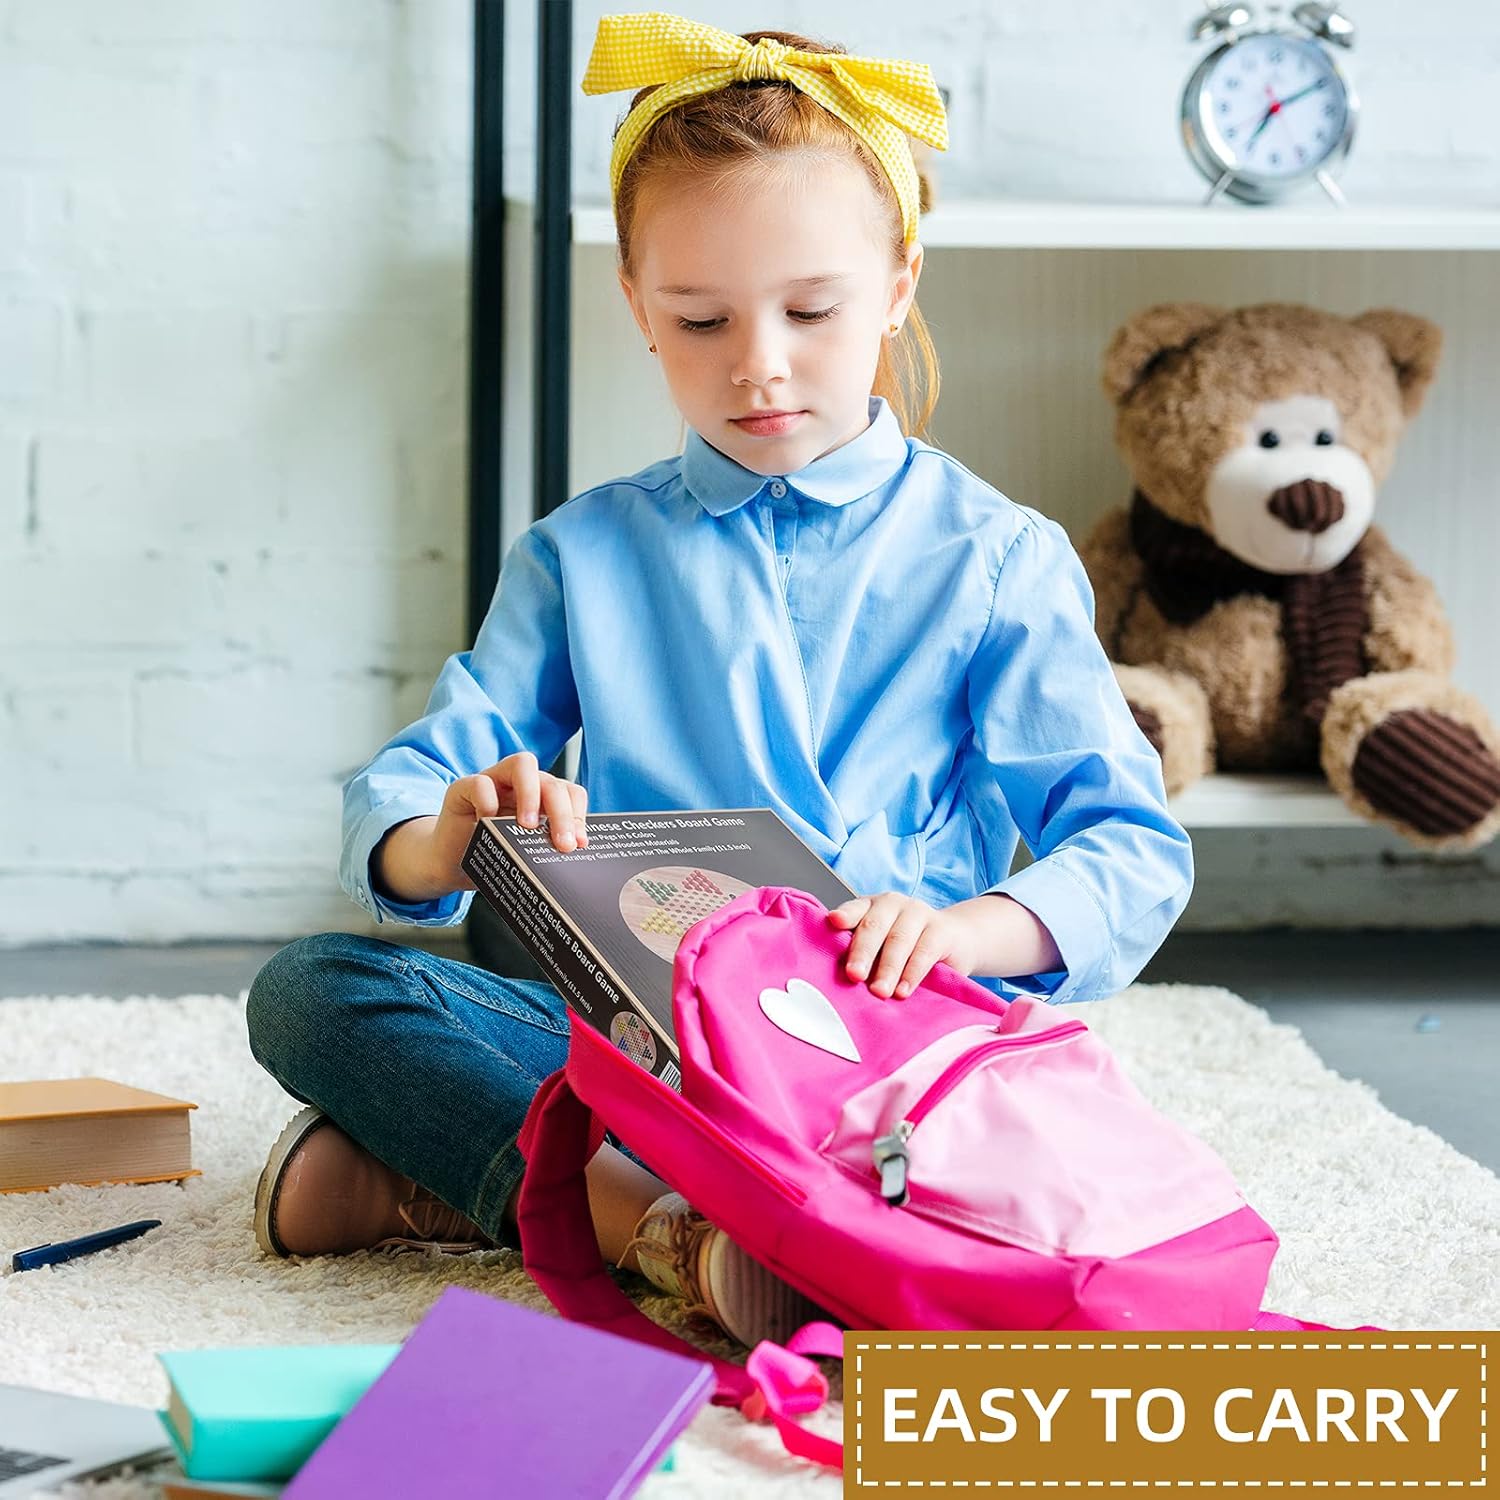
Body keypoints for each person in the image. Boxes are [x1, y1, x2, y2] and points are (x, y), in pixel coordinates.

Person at [245, 13, 1193, 1348]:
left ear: (899, 285)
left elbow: (1129, 849)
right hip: (653, 1061)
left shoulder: (997, 559)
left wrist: (969, 929)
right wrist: (445, 829)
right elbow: (404, 785)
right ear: (637, 305)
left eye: (812, 311)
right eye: (701, 318)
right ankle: (662, 1225)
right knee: (311, 990)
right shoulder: (584, 555)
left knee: (1010, 1164)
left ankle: (473, 1189)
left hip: (885, 1056)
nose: (759, 363)